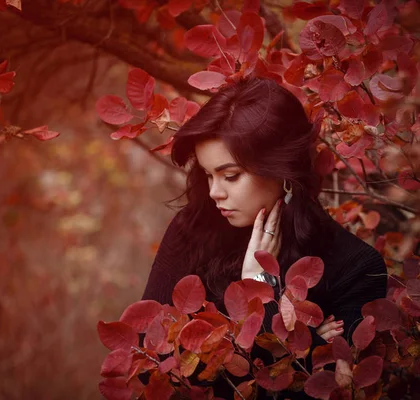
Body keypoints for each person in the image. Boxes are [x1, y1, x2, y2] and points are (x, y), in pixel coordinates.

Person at [140, 77, 387, 398]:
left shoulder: (354, 266)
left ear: (280, 168)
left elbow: (322, 389)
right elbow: (152, 370)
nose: (215, 192)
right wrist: (307, 344)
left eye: (230, 176)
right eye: (208, 174)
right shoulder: (191, 230)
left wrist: (257, 290)